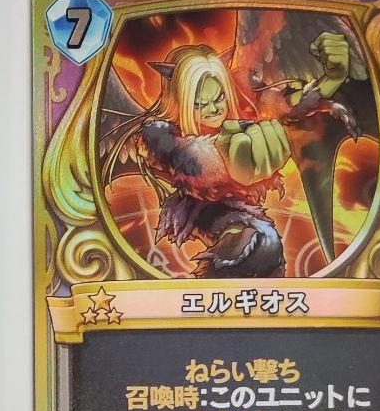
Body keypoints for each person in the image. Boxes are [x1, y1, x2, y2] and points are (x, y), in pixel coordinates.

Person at [102, 33, 350, 276]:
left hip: (242, 205)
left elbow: (290, 105)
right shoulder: (158, 134)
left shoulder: (242, 107)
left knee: (263, 247)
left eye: (218, 98)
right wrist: (232, 155)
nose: (213, 109)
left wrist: (332, 78)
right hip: (201, 208)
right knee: (258, 242)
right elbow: (192, 165)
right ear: (180, 101)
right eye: (200, 104)